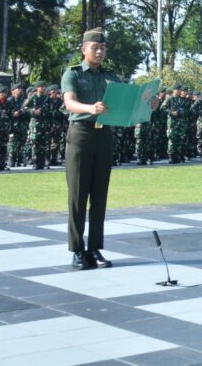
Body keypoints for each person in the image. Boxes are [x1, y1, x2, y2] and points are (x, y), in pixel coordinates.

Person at [60, 28, 124, 270]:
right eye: (95, 48)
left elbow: (126, 100)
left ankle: (94, 248)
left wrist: (148, 102)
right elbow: (69, 102)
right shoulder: (73, 74)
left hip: (104, 135)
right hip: (81, 134)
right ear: (84, 49)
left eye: (103, 48)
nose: (99, 51)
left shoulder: (111, 76)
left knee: (99, 195)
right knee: (78, 195)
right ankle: (77, 250)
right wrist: (90, 108)